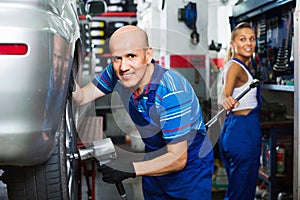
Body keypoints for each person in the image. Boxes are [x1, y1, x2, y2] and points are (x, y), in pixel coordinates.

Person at [72, 25, 214, 199]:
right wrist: (62, 74)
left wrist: (129, 169)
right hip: (154, 163)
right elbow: (81, 97)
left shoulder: (172, 93)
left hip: (190, 170)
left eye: (131, 56)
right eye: (117, 58)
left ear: (148, 55)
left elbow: (178, 159)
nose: (124, 66)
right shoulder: (117, 74)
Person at [218, 22, 262, 199]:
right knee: (242, 191)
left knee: (239, 187)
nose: (248, 43)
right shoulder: (235, 66)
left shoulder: (238, 65)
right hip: (242, 132)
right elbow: (224, 94)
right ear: (232, 44)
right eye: (242, 39)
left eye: (252, 39)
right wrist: (226, 99)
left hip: (235, 130)